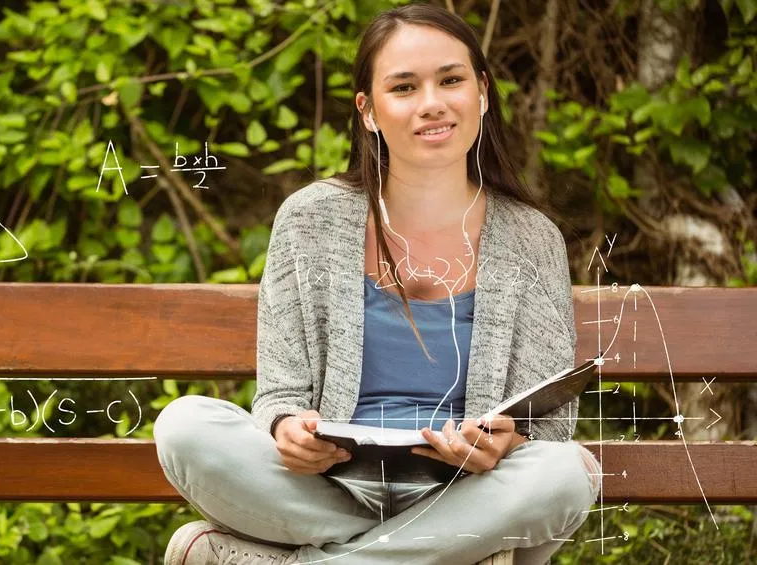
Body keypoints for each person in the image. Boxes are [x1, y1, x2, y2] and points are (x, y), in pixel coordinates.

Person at [154, 4, 602, 564]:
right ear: (369, 110)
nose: (432, 103)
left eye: (451, 80)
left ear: (482, 93)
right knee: (186, 426)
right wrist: (288, 427)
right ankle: (443, 556)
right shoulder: (310, 220)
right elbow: (280, 394)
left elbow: (550, 425)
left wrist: (509, 440)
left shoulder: (533, 240)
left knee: (566, 472)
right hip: (330, 486)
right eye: (404, 87)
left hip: (466, 493)